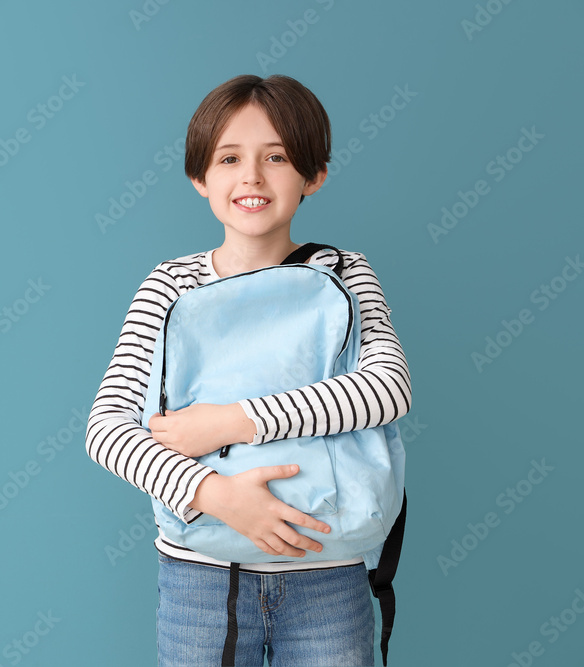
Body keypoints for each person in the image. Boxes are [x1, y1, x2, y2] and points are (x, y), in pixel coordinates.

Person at [84, 74, 412, 666]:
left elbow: (387, 389)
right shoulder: (169, 285)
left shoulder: (346, 272)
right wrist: (215, 494)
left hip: (328, 571)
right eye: (230, 157)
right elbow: (108, 430)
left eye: (278, 157)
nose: (252, 177)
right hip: (201, 577)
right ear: (200, 177)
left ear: (314, 175)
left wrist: (232, 422)